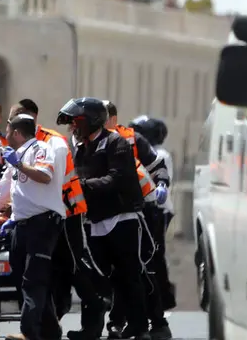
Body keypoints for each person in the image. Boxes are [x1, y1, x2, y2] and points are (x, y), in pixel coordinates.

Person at [9, 100, 108, 338]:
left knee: (74, 267)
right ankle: (50, 325)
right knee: (51, 271)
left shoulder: (52, 141)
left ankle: (96, 305)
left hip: (66, 212)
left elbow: (48, 179)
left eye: (14, 120)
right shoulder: (28, 144)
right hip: (48, 213)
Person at [56, 97, 151, 340]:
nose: (72, 128)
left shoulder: (115, 142)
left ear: (91, 120)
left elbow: (115, 179)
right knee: (94, 279)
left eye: (76, 122)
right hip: (94, 220)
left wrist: (80, 186)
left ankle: (140, 328)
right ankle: (91, 328)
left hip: (122, 218)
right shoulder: (77, 146)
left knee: (129, 275)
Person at [0, 114, 65, 340]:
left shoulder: (40, 149)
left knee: (33, 278)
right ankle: (50, 330)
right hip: (21, 224)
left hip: (42, 222)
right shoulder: (17, 157)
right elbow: (2, 189)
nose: (4, 135)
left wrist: (19, 164)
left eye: (7, 130)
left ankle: (29, 332)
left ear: (16, 132)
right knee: (22, 275)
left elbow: (45, 175)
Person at [103, 103, 171, 339]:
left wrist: (161, 184)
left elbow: (156, 167)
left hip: (138, 212)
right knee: (116, 272)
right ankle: (122, 321)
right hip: (103, 215)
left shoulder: (132, 139)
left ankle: (154, 322)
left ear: (112, 119)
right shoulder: (86, 140)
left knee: (140, 268)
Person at [130, 116, 176, 312]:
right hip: (144, 208)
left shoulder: (160, 154)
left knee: (155, 255)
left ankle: (162, 299)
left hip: (158, 209)